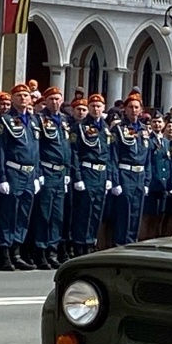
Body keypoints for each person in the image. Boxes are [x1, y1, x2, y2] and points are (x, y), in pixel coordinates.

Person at [0, 84, 40, 270]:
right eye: (19, 95)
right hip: (13, 171)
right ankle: (4, 253)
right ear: (12, 98)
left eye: (26, 95)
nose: (23, 98)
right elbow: (1, 150)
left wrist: (38, 174)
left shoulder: (34, 120)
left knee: (23, 214)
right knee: (8, 213)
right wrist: (2, 177)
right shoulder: (5, 120)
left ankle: (17, 251)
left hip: (29, 172)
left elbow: (36, 150)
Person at [32, 87, 72, 269]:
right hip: (47, 170)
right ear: (45, 101)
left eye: (58, 99)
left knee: (57, 215)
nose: (55, 102)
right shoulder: (39, 119)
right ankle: (40, 250)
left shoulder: (65, 120)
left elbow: (68, 148)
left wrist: (68, 173)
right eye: (52, 99)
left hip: (61, 172)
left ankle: (52, 249)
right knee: (44, 213)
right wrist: (38, 173)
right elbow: (36, 148)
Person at [70, 93, 112, 256]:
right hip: (87, 171)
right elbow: (75, 153)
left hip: (101, 173)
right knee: (84, 210)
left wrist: (109, 176)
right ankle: (80, 243)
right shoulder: (80, 127)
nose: (96, 109)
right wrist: (78, 177)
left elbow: (108, 154)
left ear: (103, 108)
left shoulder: (106, 129)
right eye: (93, 106)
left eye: (99, 106)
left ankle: (91, 241)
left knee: (96, 210)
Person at [109, 92, 149, 246]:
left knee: (136, 213)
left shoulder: (144, 130)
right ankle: (120, 244)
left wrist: (147, 180)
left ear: (141, 110)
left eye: (136, 107)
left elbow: (148, 158)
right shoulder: (118, 129)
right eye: (130, 107)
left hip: (139, 175)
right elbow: (113, 156)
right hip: (125, 174)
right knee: (123, 213)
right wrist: (115, 181)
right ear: (124, 109)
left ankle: (132, 243)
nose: (133, 110)